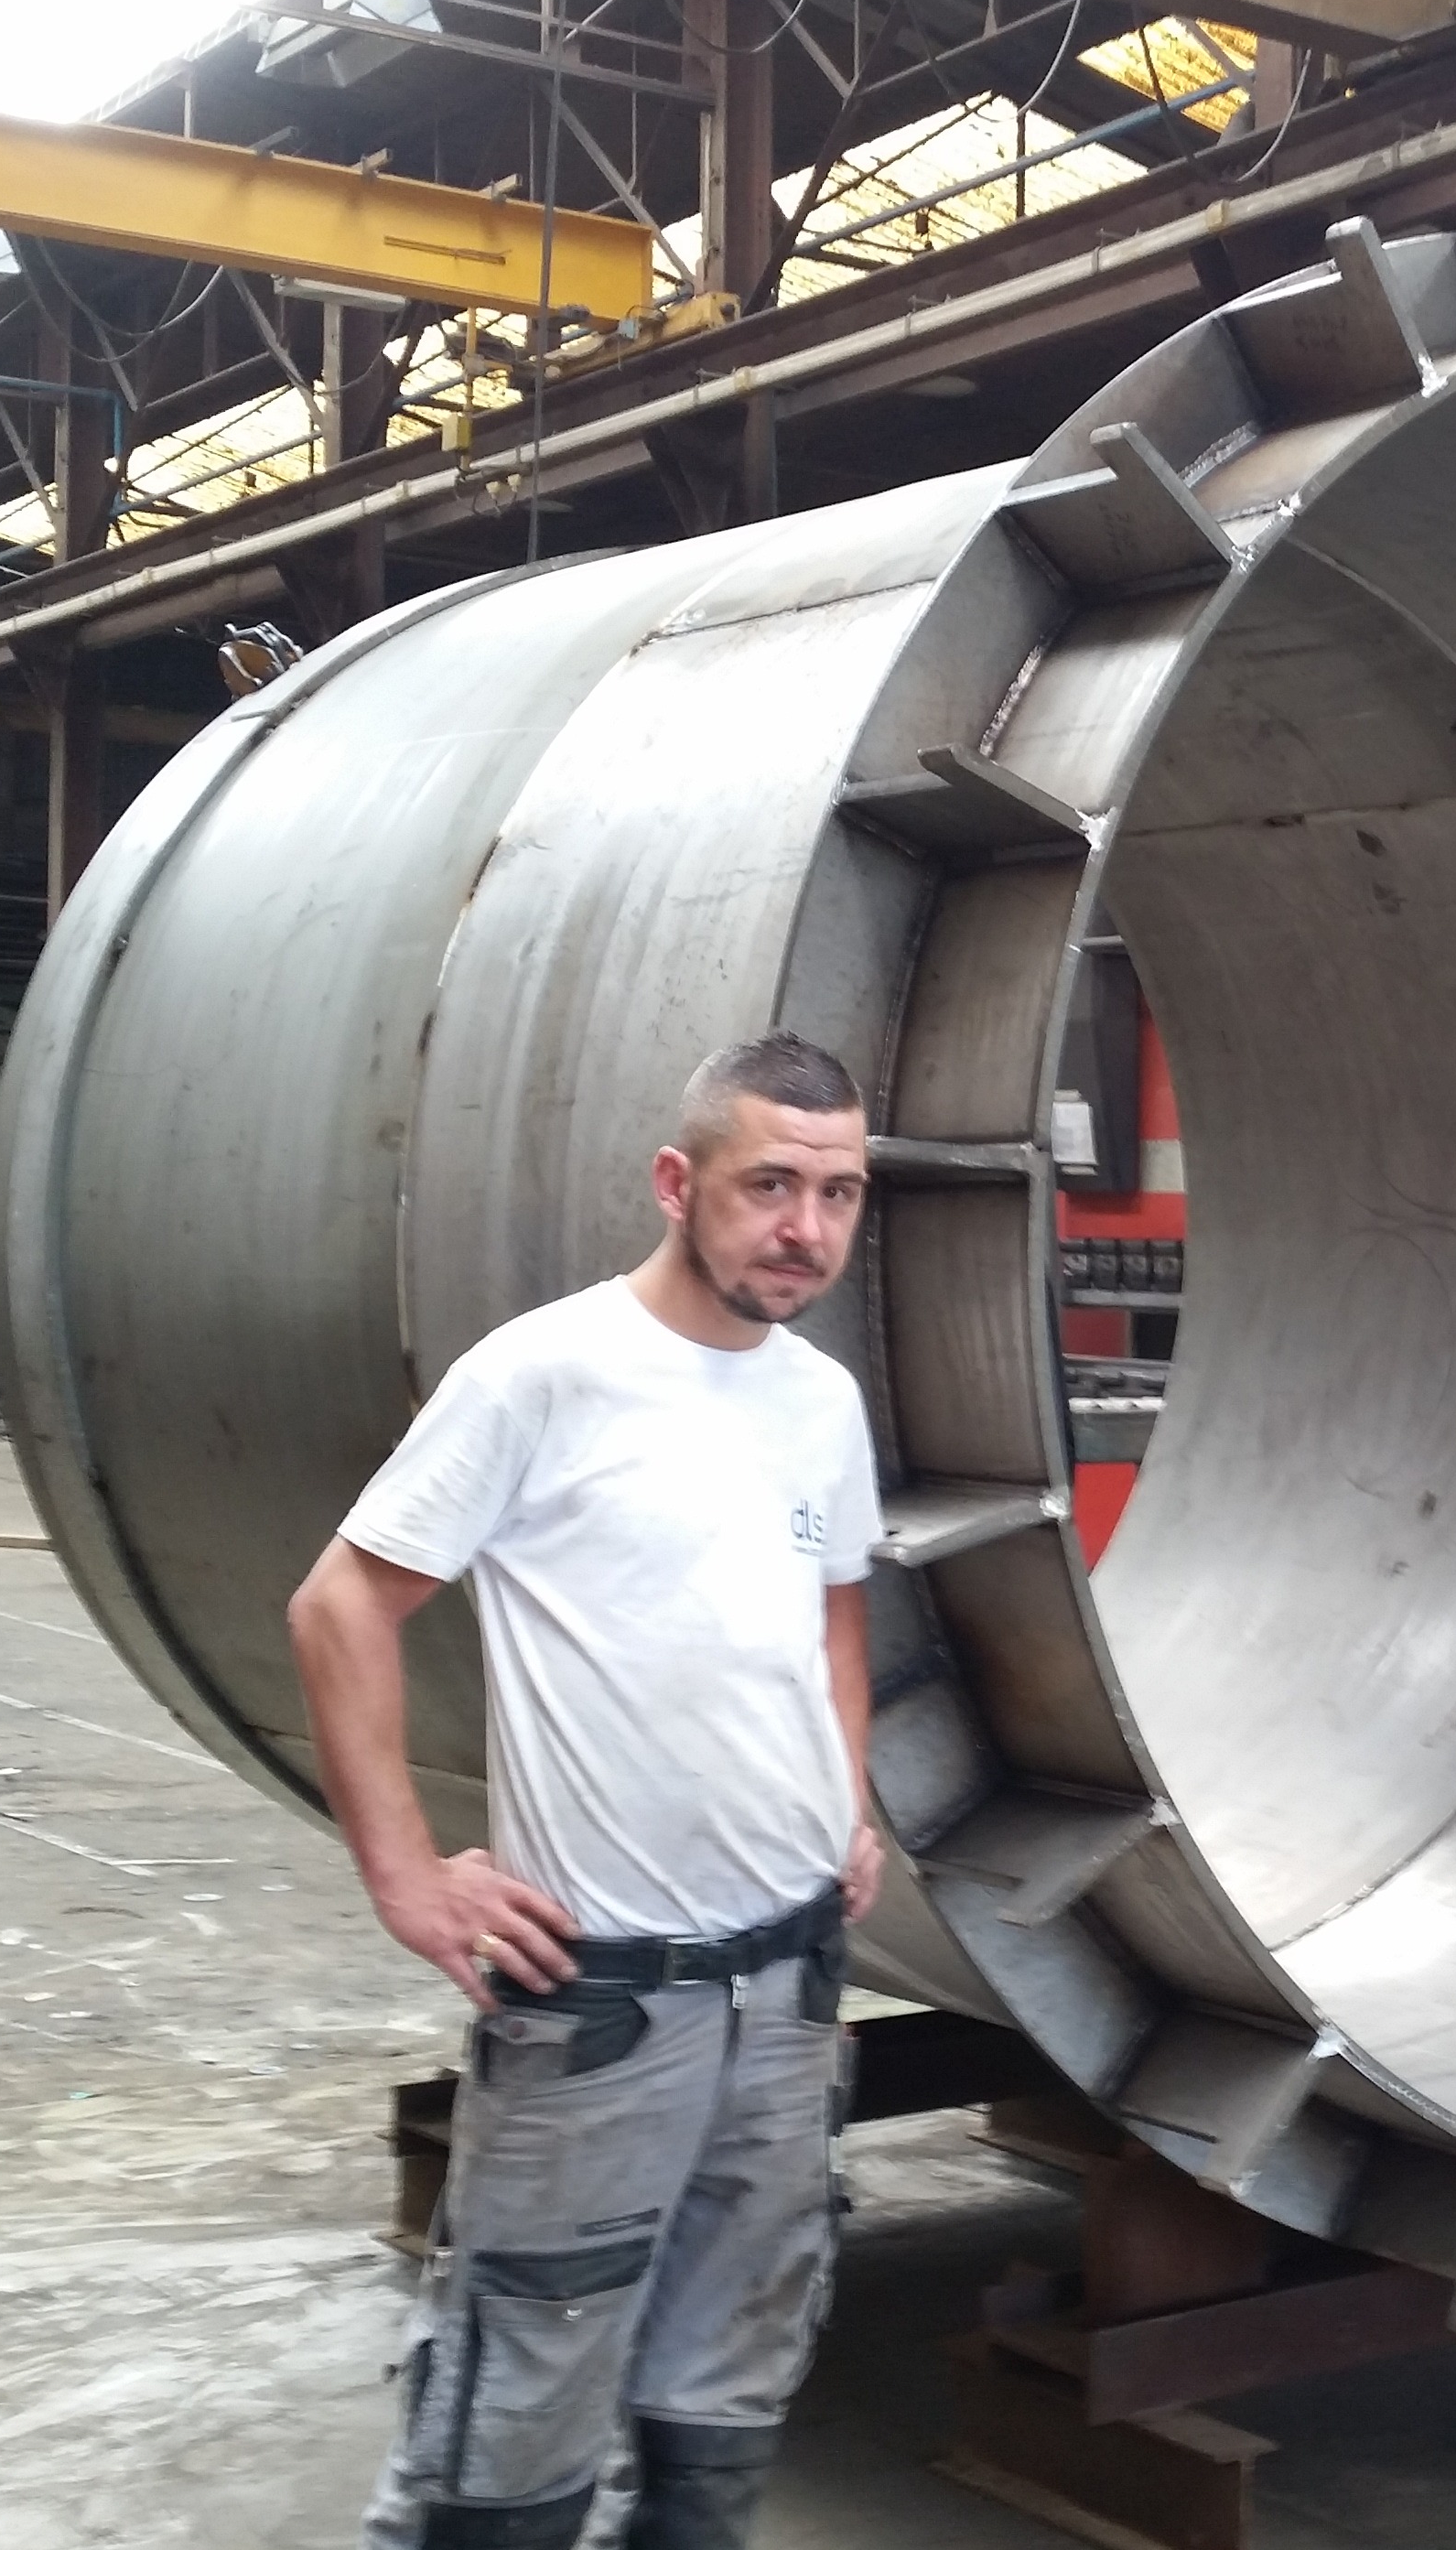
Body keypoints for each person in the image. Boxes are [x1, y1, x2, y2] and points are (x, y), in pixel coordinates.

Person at [288, 1031, 884, 2550]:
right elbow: (340, 1605)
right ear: (678, 1183)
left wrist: (848, 1802)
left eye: (838, 1193)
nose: (805, 1229)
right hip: (605, 1999)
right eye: (769, 1186)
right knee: (514, 2412)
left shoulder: (821, 1400)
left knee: (727, 2389)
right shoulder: (545, 1375)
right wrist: (406, 1875)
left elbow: (832, 1618)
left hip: (790, 1990)